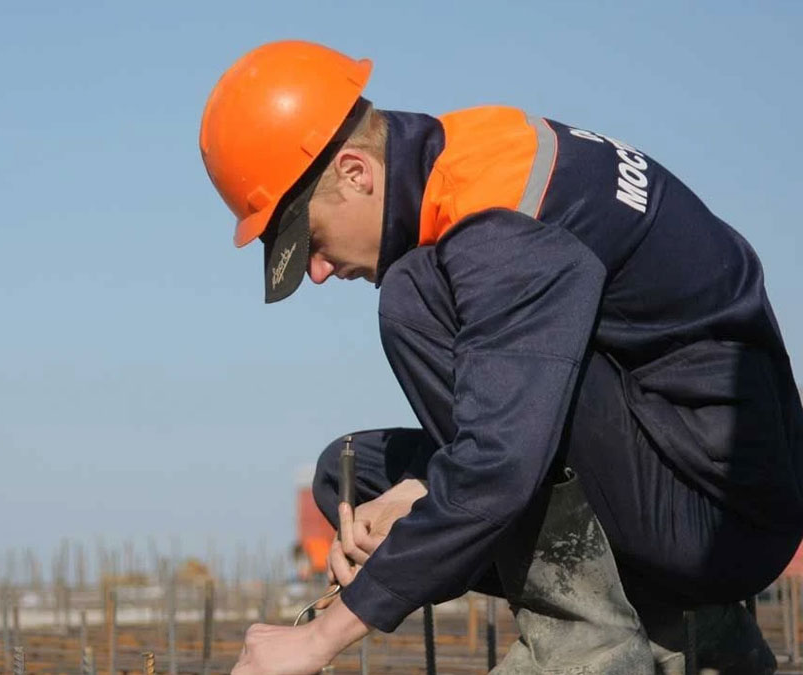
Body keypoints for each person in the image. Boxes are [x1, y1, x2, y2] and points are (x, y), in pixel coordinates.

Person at [199, 40, 802, 674]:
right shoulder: (472, 152)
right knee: (346, 478)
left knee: (414, 297)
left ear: (356, 172)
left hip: (713, 515)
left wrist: (317, 640)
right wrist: (425, 485)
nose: (318, 272)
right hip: (660, 455)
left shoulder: (499, 220)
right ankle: (668, 624)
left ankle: (588, 645)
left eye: (311, 240)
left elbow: (502, 461)